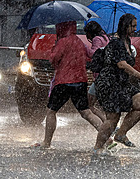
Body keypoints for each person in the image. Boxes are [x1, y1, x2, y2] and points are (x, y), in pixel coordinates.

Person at [32, 21, 103, 149]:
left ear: (61, 27)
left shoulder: (62, 41)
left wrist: (53, 49)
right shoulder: (79, 41)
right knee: (86, 112)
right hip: (80, 80)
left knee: (51, 111)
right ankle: (106, 137)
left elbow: (54, 59)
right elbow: (87, 57)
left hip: (63, 81)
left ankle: (46, 142)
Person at [93, 14, 140, 153]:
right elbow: (122, 64)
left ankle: (121, 134)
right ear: (125, 26)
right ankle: (97, 148)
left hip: (122, 83)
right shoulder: (116, 42)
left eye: (135, 26)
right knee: (113, 118)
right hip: (109, 83)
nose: (135, 29)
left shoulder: (127, 41)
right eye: (132, 26)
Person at [84, 21, 109, 122]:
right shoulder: (106, 38)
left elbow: (94, 54)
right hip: (106, 75)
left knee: (89, 105)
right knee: (105, 104)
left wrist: (84, 47)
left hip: (99, 77)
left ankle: (106, 123)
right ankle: (109, 122)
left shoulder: (97, 39)